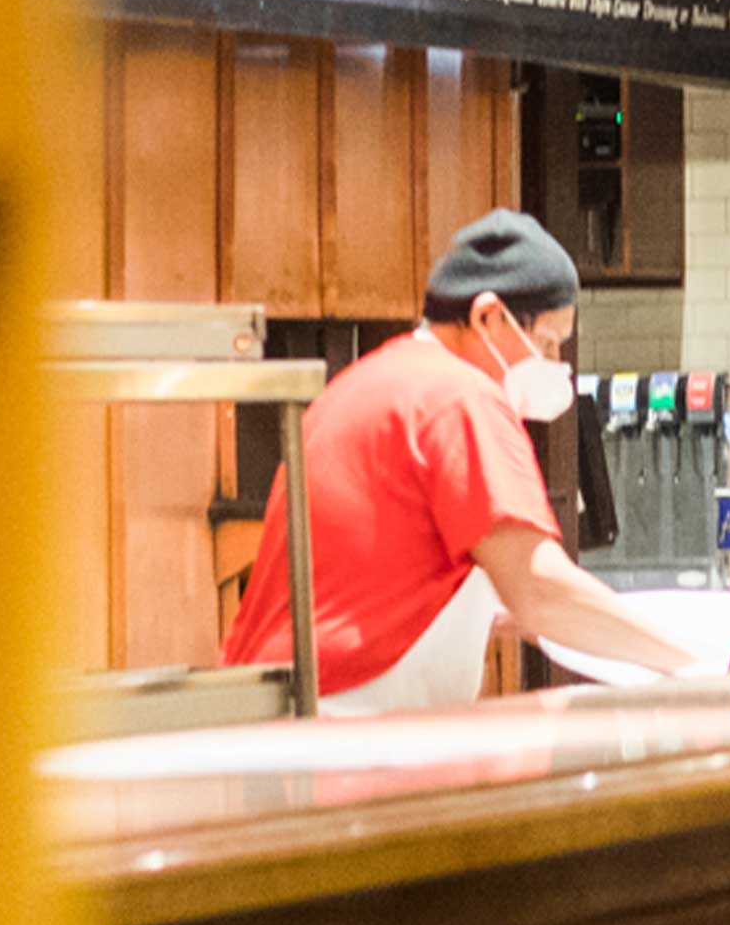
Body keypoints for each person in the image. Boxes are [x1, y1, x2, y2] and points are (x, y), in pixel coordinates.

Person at [219, 210, 703, 713]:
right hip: (341, 724)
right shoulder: (459, 395)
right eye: (546, 343)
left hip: (280, 716)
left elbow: (407, 582)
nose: (554, 364)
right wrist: (696, 666)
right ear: (488, 317)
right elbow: (537, 589)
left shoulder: (384, 378)